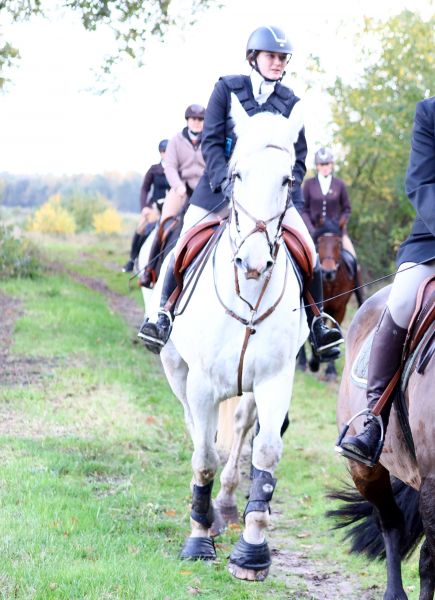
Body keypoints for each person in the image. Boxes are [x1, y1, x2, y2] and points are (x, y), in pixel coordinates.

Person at [138, 25, 343, 357]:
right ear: (253, 57)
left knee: (309, 250)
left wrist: (284, 188)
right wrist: (226, 183)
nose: (278, 63)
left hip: (272, 197)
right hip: (220, 189)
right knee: (183, 240)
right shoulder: (226, 88)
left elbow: (299, 158)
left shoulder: (291, 102)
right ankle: (162, 314)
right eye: (271, 56)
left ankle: (318, 323)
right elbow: (211, 142)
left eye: (283, 58)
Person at [338, 96, 435, 466]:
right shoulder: (429, 113)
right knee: (402, 300)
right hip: (431, 243)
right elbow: (421, 183)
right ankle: (373, 420)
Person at [139, 104, 206, 287]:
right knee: (164, 223)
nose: (197, 122)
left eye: (200, 119)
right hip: (181, 189)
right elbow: (169, 166)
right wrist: (178, 186)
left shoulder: (210, 138)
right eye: (193, 119)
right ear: (187, 120)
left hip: (204, 190)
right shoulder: (176, 140)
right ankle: (149, 270)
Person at [302, 147, 363, 303]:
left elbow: (347, 208)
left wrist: (342, 222)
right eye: (322, 164)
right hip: (314, 232)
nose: (325, 167)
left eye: (327, 164)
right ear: (317, 166)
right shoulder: (309, 184)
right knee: (299, 261)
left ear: (332, 165)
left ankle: (361, 300)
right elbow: (304, 209)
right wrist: (311, 228)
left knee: (353, 261)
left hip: (337, 232)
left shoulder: (339, 184)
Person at [122, 139, 170, 273]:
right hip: (155, 206)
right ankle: (132, 260)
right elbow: (144, 188)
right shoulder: (154, 169)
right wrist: (144, 207)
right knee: (141, 228)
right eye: (166, 152)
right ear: (161, 153)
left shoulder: (177, 169)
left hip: (171, 207)